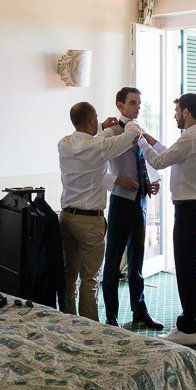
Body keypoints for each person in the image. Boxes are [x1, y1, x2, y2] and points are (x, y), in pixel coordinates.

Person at [136, 93, 196, 346]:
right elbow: (172, 153)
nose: (175, 115)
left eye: (178, 110)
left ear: (187, 112)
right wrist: (152, 140)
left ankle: (187, 327)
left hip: (188, 211)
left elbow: (159, 160)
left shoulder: (189, 138)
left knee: (185, 268)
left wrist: (139, 142)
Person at [57, 101, 142, 321]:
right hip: (89, 222)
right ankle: (89, 328)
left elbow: (90, 142)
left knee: (69, 275)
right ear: (92, 120)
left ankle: (68, 321)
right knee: (90, 279)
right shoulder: (100, 147)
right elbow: (131, 135)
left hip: (66, 217)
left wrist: (101, 128)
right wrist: (130, 121)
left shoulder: (64, 144)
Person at [101, 87, 163, 330]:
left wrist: (150, 183)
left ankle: (140, 311)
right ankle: (111, 317)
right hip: (119, 202)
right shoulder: (109, 134)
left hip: (141, 201)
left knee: (137, 261)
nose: (138, 107)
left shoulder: (140, 131)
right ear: (120, 105)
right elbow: (97, 171)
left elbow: (149, 160)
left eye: (139, 103)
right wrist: (119, 181)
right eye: (133, 103)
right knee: (113, 261)